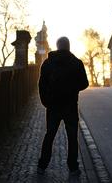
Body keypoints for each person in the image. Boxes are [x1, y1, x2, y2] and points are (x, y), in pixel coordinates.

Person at [37, 36, 89, 175]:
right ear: (69, 46)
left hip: (53, 106)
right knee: (72, 137)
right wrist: (72, 88)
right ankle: (73, 167)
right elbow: (84, 83)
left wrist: (45, 101)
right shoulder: (77, 63)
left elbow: (41, 84)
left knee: (49, 135)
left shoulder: (48, 63)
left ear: (57, 46)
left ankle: (42, 165)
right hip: (70, 106)